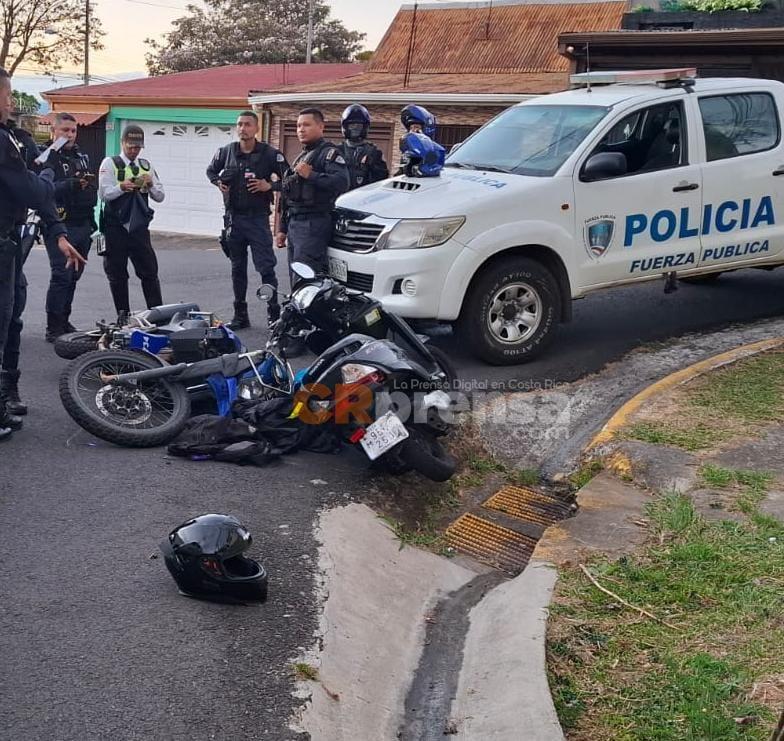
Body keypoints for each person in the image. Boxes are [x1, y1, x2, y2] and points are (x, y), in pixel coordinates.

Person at [0, 67, 83, 440]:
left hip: (13, 240)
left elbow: (38, 197)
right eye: (7, 94)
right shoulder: (5, 142)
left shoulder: (17, 139)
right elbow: (34, 189)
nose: (11, 102)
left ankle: (7, 391)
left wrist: (59, 232)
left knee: (12, 315)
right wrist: (48, 179)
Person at [206, 110, 287, 329]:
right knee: (237, 269)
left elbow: (290, 180)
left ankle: (274, 315)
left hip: (258, 220)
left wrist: (269, 185)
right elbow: (211, 171)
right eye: (240, 124)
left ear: (256, 128)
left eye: (248, 124)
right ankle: (240, 315)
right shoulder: (226, 152)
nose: (243, 128)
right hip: (234, 220)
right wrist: (218, 182)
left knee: (266, 268)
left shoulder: (270, 154)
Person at [98, 124, 165, 324]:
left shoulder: (146, 165)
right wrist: (122, 187)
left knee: (150, 272)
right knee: (117, 274)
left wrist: (150, 184)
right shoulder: (110, 163)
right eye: (131, 146)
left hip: (138, 228)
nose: (134, 151)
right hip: (115, 228)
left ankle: (158, 315)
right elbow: (104, 194)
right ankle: (123, 317)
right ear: (122, 143)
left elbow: (160, 196)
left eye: (138, 147)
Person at [43, 112, 97, 341]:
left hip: (83, 222)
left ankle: (64, 320)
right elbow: (44, 190)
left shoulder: (81, 156)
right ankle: (53, 327)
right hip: (59, 225)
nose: (70, 134)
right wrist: (71, 184)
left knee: (74, 275)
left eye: (73, 131)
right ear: (54, 131)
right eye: (65, 130)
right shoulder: (47, 157)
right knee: (61, 276)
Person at [276, 108, 349, 274]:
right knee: (296, 275)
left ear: (321, 127)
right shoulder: (302, 156)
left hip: (314, 223)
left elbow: (342, 182)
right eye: (298, 126)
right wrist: (282, 229)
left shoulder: (329, 153)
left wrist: (312, 175)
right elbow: (287, 195)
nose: (301, 129)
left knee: (307, 275)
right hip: (294, 224)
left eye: (306, 125)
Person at [339, 104, 389, 191]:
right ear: (345, 127)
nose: (355, 129)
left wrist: (373, 167)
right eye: (352, 125)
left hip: (364, 196)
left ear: (365, 127)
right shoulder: (337, 150)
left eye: (359, 126)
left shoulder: (374, 152)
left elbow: (382, 181)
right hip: (341, 196)